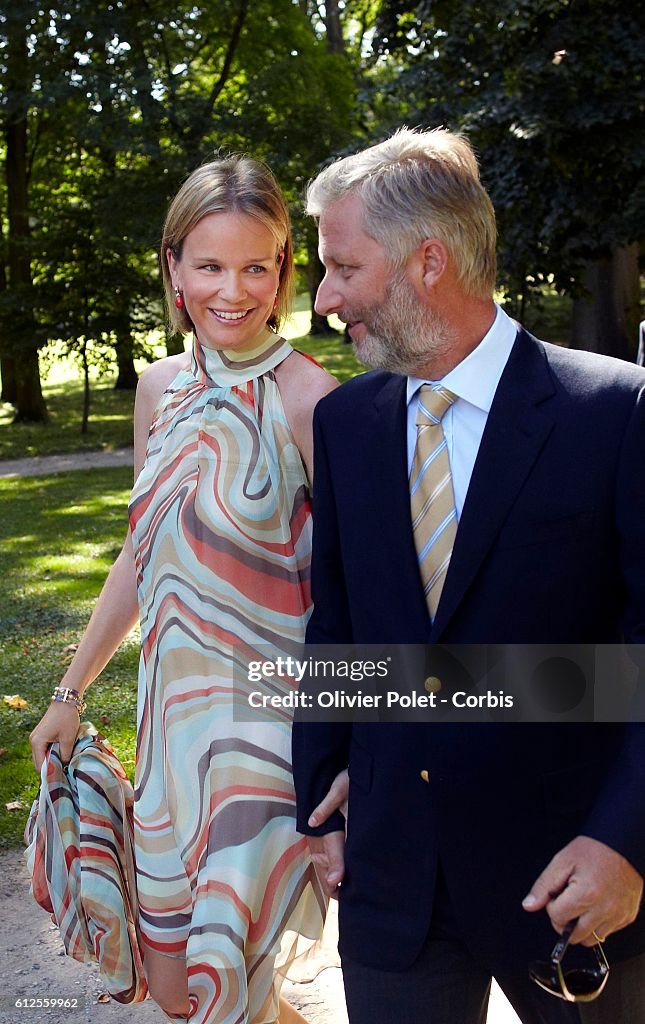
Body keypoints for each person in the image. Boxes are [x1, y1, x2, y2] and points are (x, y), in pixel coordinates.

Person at [291, 128, 645, 1024]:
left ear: (429, 262)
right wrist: (324, 796)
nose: (325, 298)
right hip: (392, 883)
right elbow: (339, 622)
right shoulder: (346, 422)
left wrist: (623, 842)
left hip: (571, 886)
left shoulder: (611, 411)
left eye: (341, 268)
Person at [29, 155, 339, 1024]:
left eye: (256, 265)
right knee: (183, 996)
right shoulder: (159, 388)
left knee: (212, 989)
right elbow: (140, 550)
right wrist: (69, 692)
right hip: (170, 730)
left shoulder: (310, 399)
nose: (232, 290)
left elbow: (349, 594)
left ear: (283, 268)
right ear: (171, 267)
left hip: (265, 740)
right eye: (209, 265)